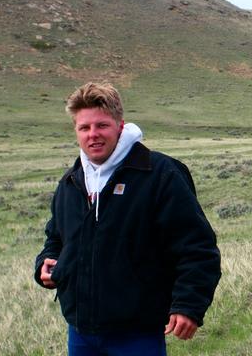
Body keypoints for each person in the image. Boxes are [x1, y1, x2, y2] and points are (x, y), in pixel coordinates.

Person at [34, 82, 221, 355]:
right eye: (84, 128)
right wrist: (46, 264)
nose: (93, 135)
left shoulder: (158, 174)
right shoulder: (71, 182)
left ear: (120, 125)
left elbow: (197, 247)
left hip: (137, 332)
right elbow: (56, 239)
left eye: (102, 126)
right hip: (81, 331)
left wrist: (188, 305)